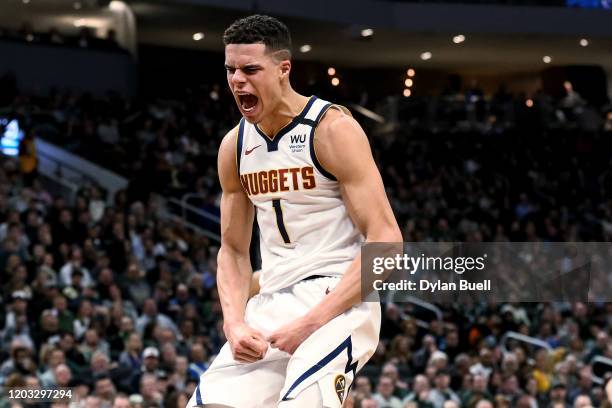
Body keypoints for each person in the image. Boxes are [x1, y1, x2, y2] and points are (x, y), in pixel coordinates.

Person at [187, 14, 401, 408]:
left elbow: (387, 242)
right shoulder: (234, 146)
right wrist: (233, 323)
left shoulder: (331, 129)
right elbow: (233, 251)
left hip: (338, 298)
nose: (237, 80)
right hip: (271, 300)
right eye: (231, 70)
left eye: (251, 69)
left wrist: (313, 321)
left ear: (284, 68)